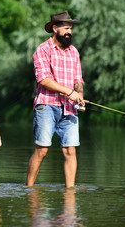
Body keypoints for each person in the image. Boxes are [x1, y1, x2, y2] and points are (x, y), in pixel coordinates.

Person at [26, 11, 85, 188]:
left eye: (71, 28)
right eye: (66, 28)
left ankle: (70, 192)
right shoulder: (42, 50)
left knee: (70, 151)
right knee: (42, 150)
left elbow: (78, 80)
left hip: (70, 108)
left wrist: (79, 94)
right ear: (55, 28)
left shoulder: (74, 52)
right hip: (46, 106)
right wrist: (69, 92)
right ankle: (28, 189)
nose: (69, 32)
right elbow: (44, 80)